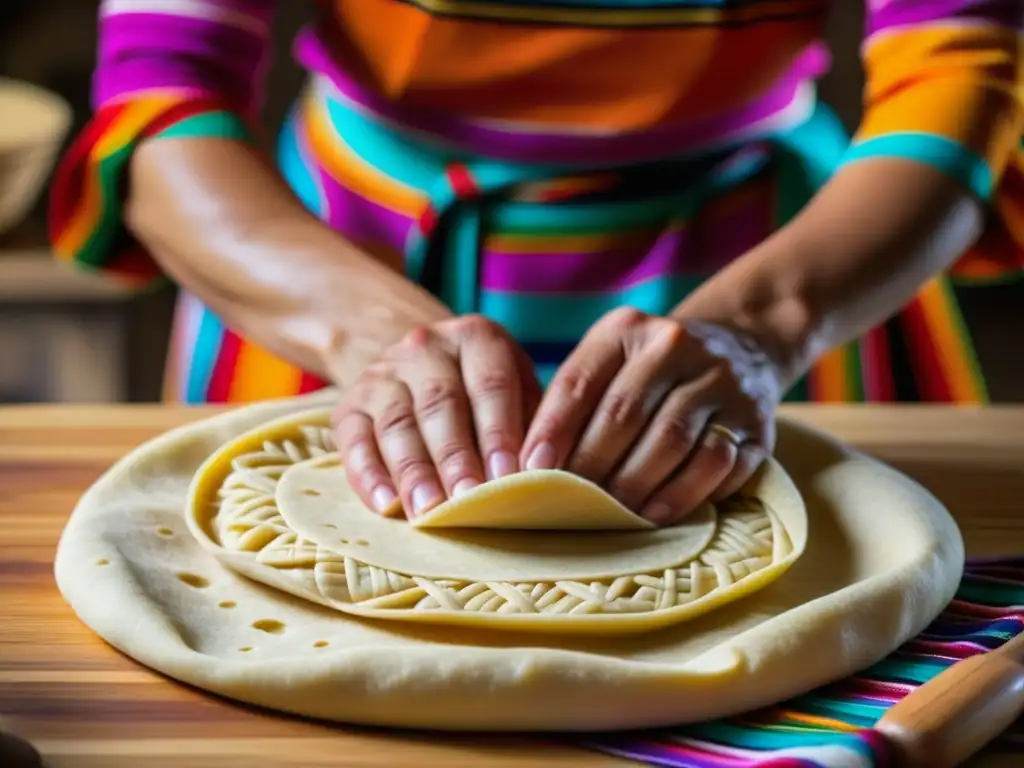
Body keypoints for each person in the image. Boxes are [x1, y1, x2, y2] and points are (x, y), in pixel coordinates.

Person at [50, 1, 1022, 526]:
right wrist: (375, 335)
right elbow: (164, 92)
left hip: (790, 255)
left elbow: (960, 70)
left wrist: (760, 330)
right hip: (340, 255)